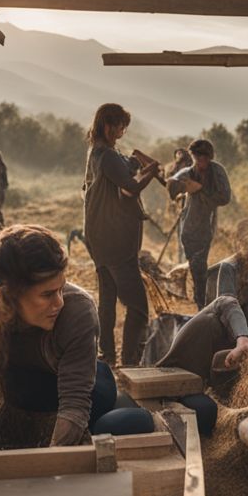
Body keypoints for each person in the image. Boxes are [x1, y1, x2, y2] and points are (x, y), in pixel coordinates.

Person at [0, 225, 155, 450]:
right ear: (8, 295)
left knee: (114, 420)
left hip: (84, 386)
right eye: (47, 294)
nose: (59, 303)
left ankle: (123, 408)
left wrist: (50, 461)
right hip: (22, 390)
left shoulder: (78, 310)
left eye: (61, 289)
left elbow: (74, 406)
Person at [82, 103, 162, 366]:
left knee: (108, 298)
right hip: (115, 240)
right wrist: (151, 171)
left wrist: (134, 160)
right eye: (119, 127)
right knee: (138, 307)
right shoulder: (107, 156)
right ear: (107, 125)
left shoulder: (96, 153)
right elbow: (130, 188)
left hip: (98, 237)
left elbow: (118, 169)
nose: (122, 133)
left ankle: (107, 355)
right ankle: (129, 361)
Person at [118, 294, 248, 437]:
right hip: (170, 380)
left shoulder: (234, 356)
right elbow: (226, 301)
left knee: (208, 410)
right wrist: (243, 337)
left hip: (194, 387)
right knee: (205, 409)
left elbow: (222, 390)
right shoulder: (219, 316)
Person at [168, 139, 231, 310]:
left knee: (199, 267)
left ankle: (201, 304)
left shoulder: (217, 172)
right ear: (194, 157)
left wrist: (201, 190)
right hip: (188, 228)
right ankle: (201, 304)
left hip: (205, 227)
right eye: (198, 157)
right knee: (196, 267)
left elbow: (225, 197)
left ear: (209, 157)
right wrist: (184, 186)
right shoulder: (189, 172)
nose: (201, 161)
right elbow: (172, 184)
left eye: (204, 158)